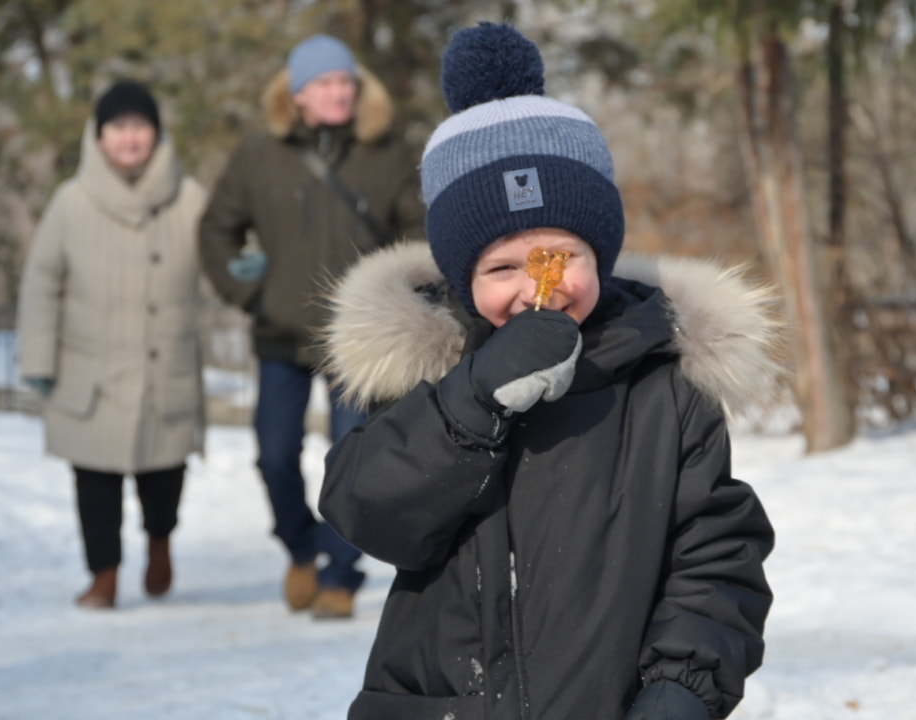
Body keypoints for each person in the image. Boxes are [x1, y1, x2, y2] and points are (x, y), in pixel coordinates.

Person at [318, 23, 776, 720]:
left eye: (563, 259)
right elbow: (369, 512)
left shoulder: (662, 384)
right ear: (460, 274)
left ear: (603, 254)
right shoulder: (430, 369)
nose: (540, 289)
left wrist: (682, 687)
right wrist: (469, 402)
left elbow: (715, 558)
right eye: (503, 268)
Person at [198, 34, 425, 619]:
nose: (339, 92)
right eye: (325, 83)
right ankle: (303, 548)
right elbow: (214, 231)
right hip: (279, 334)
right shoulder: (257, 155)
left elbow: (420, 236)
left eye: (346, 81)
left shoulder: (388, 153)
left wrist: (399, 303)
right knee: (275, 456)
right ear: (298, 94)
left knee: (352, 458)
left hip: (356, 341)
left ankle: (342, 575)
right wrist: (251, 294)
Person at [18, 80, 208, 609]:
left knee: (164, 472)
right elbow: (41, 282)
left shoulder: (188, 198)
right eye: (118, 127)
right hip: (91, 368)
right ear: (98, 137)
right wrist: (38, 356)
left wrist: (245, 267)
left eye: (140, 126)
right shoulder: (71, 202)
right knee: (94, 480)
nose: (130, 138)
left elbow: (220, 252)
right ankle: (103, 575)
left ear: (157, 133)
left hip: (161, 361)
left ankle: (160, 542)